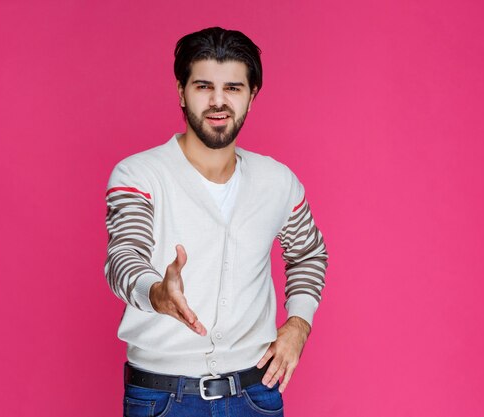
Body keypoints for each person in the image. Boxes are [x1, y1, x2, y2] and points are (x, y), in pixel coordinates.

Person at [104, 26, 328, 416]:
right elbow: (124, 255)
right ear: (181, 91)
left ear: (252, 96)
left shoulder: (277, 182)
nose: (218, 101)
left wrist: (298, 325)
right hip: (161, 398)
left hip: (254, 396)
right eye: (204, 86)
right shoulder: (139, 175)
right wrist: (157, 292)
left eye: (233, 88)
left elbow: (309, 253)